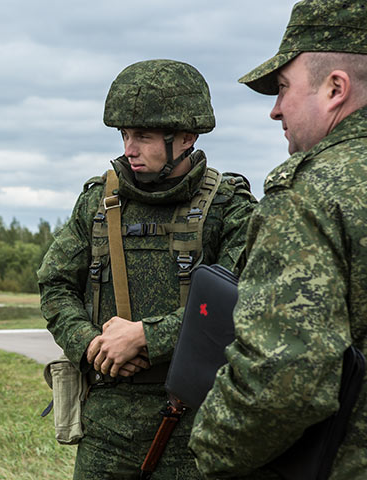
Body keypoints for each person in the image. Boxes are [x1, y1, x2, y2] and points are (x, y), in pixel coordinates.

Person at [37, 59, 257, 479]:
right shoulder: (97, 203)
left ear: (187, 136)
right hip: (106, 424)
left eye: (143, 135)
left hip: (195, 422)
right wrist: (90, 345)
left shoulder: (229, 208)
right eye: (124, 134)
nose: (129, 148)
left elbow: (243, 300)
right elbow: (56, 285)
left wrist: (145, 337)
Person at [189, 1, 367, 478]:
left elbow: (286, 380)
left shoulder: (311, 194)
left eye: (284, 88)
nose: (274, 110)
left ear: (335, 88)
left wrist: (209, 448)